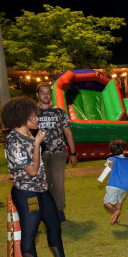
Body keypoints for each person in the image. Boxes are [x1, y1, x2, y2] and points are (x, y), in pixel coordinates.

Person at [3, 97, 86, 257]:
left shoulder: (29, 135)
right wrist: (37, 144)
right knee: (30, 234)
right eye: (34, 115)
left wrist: (36, 141)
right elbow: (32, 171)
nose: (37, 118)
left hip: (42, 189)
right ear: (24, 117)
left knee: (54, 225)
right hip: (27, 193)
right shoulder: (14, 140)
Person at [36, 82, 78, 222]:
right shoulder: (32, 112)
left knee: (58, 183)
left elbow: (68, 132)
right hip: (39, 154)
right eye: (42, 92)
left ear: (51, 95)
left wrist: (73, 153)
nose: (45, 95)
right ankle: (46, 210)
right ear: (37, 94)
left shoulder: (59, 112)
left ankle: (59, 210)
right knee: (44, 183)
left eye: (48, 92)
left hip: (58, 153)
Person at [98, 139, 128, 224]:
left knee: (106, 203)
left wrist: (101, 179)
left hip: (114, 185)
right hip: (126, 187)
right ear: (124, 151)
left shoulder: (112, 159)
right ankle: (116, 220)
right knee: (119, 201)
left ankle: (116, 211)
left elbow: (109, 167)